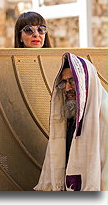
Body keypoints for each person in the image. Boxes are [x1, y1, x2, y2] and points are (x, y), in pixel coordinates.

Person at [34, 52, 107, 191]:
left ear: (86, 82)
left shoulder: (104, 114)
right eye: (64, 83)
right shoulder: (69, 119)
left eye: (73, 81)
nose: (67, 88)